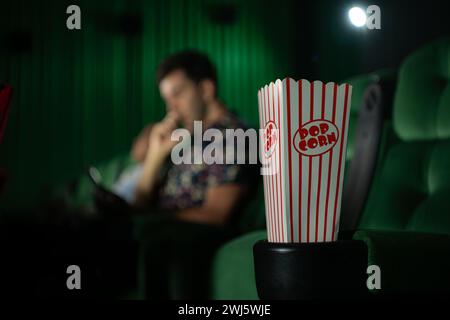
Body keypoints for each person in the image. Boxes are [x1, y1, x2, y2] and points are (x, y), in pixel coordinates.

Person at [112, 50, 259, 226]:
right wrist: (154, 156)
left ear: (205, 89)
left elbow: (216, 215)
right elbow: (139, 202)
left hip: (179, 240)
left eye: (177, 94)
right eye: (167, 99)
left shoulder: (233, 137)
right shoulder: (188, 140)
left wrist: (151, 220)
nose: (171, 108)